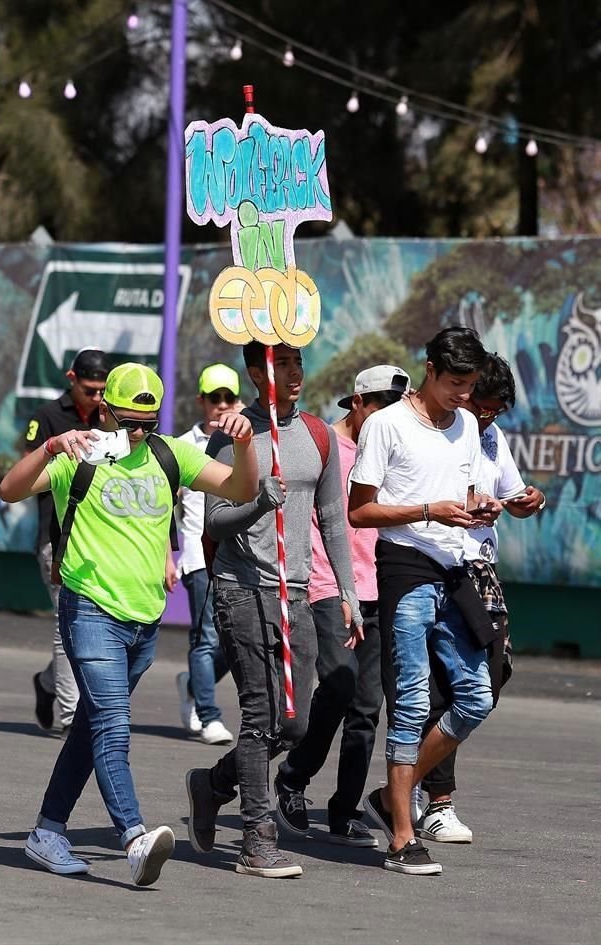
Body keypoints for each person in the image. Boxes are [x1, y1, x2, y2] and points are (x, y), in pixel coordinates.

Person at [0, 362, 258, 886]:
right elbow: (8, 490)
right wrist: (51, 448)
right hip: (90, 608)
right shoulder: (81, 453)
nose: (137, 431)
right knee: (113, 727)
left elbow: (239, 489)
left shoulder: (170, 454)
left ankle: (47, 832)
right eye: (128, 421)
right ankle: (134, 837)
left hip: (144, 621)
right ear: (105, 410)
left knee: (94, 725)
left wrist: (246, 444)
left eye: (148, 421)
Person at [185, 341, 362, 879]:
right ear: (255, 372)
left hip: (299, 592)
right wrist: (259, 501)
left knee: (296, 724)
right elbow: (213, 522)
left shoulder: (317, 436)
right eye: (280, 364)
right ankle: (257, 840)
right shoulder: (232, 437)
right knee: (261, 718)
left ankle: (213, 784)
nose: (294, 373)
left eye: (297, 362)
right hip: (242, 589)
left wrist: (349, 595)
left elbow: (334, 521)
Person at [349, 326, 500, 876]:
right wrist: (427, 511)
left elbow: (457, 493)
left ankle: (393, 795)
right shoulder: (387, 424)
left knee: (477, 696)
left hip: (457, 568)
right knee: (411, 701)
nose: (465, 394)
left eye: (471, 383)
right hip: (406, 569)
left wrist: (478, 506)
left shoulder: (464, 426)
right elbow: (359, 511)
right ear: (430, 369)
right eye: (457, 382)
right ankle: (402, 838)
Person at [275, 365, 411, 848]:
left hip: (382, 587)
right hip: (330, 585)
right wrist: (330, 587)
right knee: (338, 685)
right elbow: (317, 524)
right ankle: (292, 778)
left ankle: (344, 809)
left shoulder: (396, 447)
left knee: (367, 706)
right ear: (357, 401)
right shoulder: (324, 444)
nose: (388, 416)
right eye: (380, 405)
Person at [413, 353, 546, 843]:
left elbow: (512, 495)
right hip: (438, 564)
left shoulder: (490, 434)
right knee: (445, 687)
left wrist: (531, 500)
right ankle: (435, 801)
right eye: (482, 406)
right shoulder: (437, 429)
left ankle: (398, 788)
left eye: (496, 410)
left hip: (482, 570)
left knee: (492, 676)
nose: (487, 417)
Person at [24, 347, 110, 736]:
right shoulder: (46, 418)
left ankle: (47, 682)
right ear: (72, 378)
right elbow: (26, 473)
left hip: (103, 539)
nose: (97, 399)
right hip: (56, 538)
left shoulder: (112, 418)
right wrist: (56, 445)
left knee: (90, 628)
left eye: (102, 391)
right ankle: (73, 716)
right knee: (66, 626)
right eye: (91, 390)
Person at [175, 363, 241, 746]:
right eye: (213, 398)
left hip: (241, 558)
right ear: (201, 400)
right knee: (206, 639)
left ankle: (192, 683)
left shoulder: (246, 440)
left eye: (228, 397)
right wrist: (169, 556)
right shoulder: (183, 445)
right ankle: (208, 714)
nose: (221, 405)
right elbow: (166, 505)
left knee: (234, 644)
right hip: (200, 558)